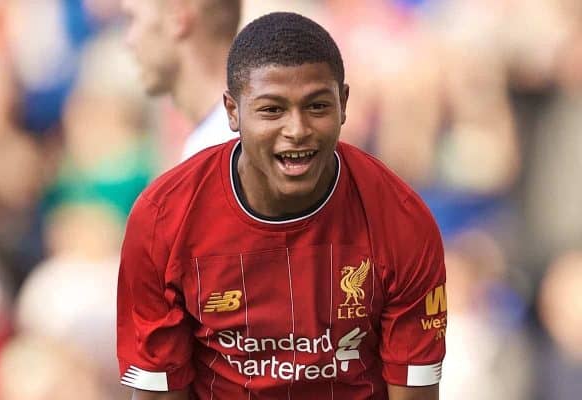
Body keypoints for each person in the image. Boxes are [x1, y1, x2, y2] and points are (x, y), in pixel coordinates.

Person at [117, 12, 447, 400]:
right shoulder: (162, 219)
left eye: (317, 107)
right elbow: (159, 391)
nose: (297, 130)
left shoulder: (400, 218)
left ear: (343, 103)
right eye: (272, 110)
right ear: (232, 111)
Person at [121, 0, 241, 161]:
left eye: (133, 18)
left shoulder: (222, 153)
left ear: (177, 17)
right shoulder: (235, 138)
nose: (128, 42)